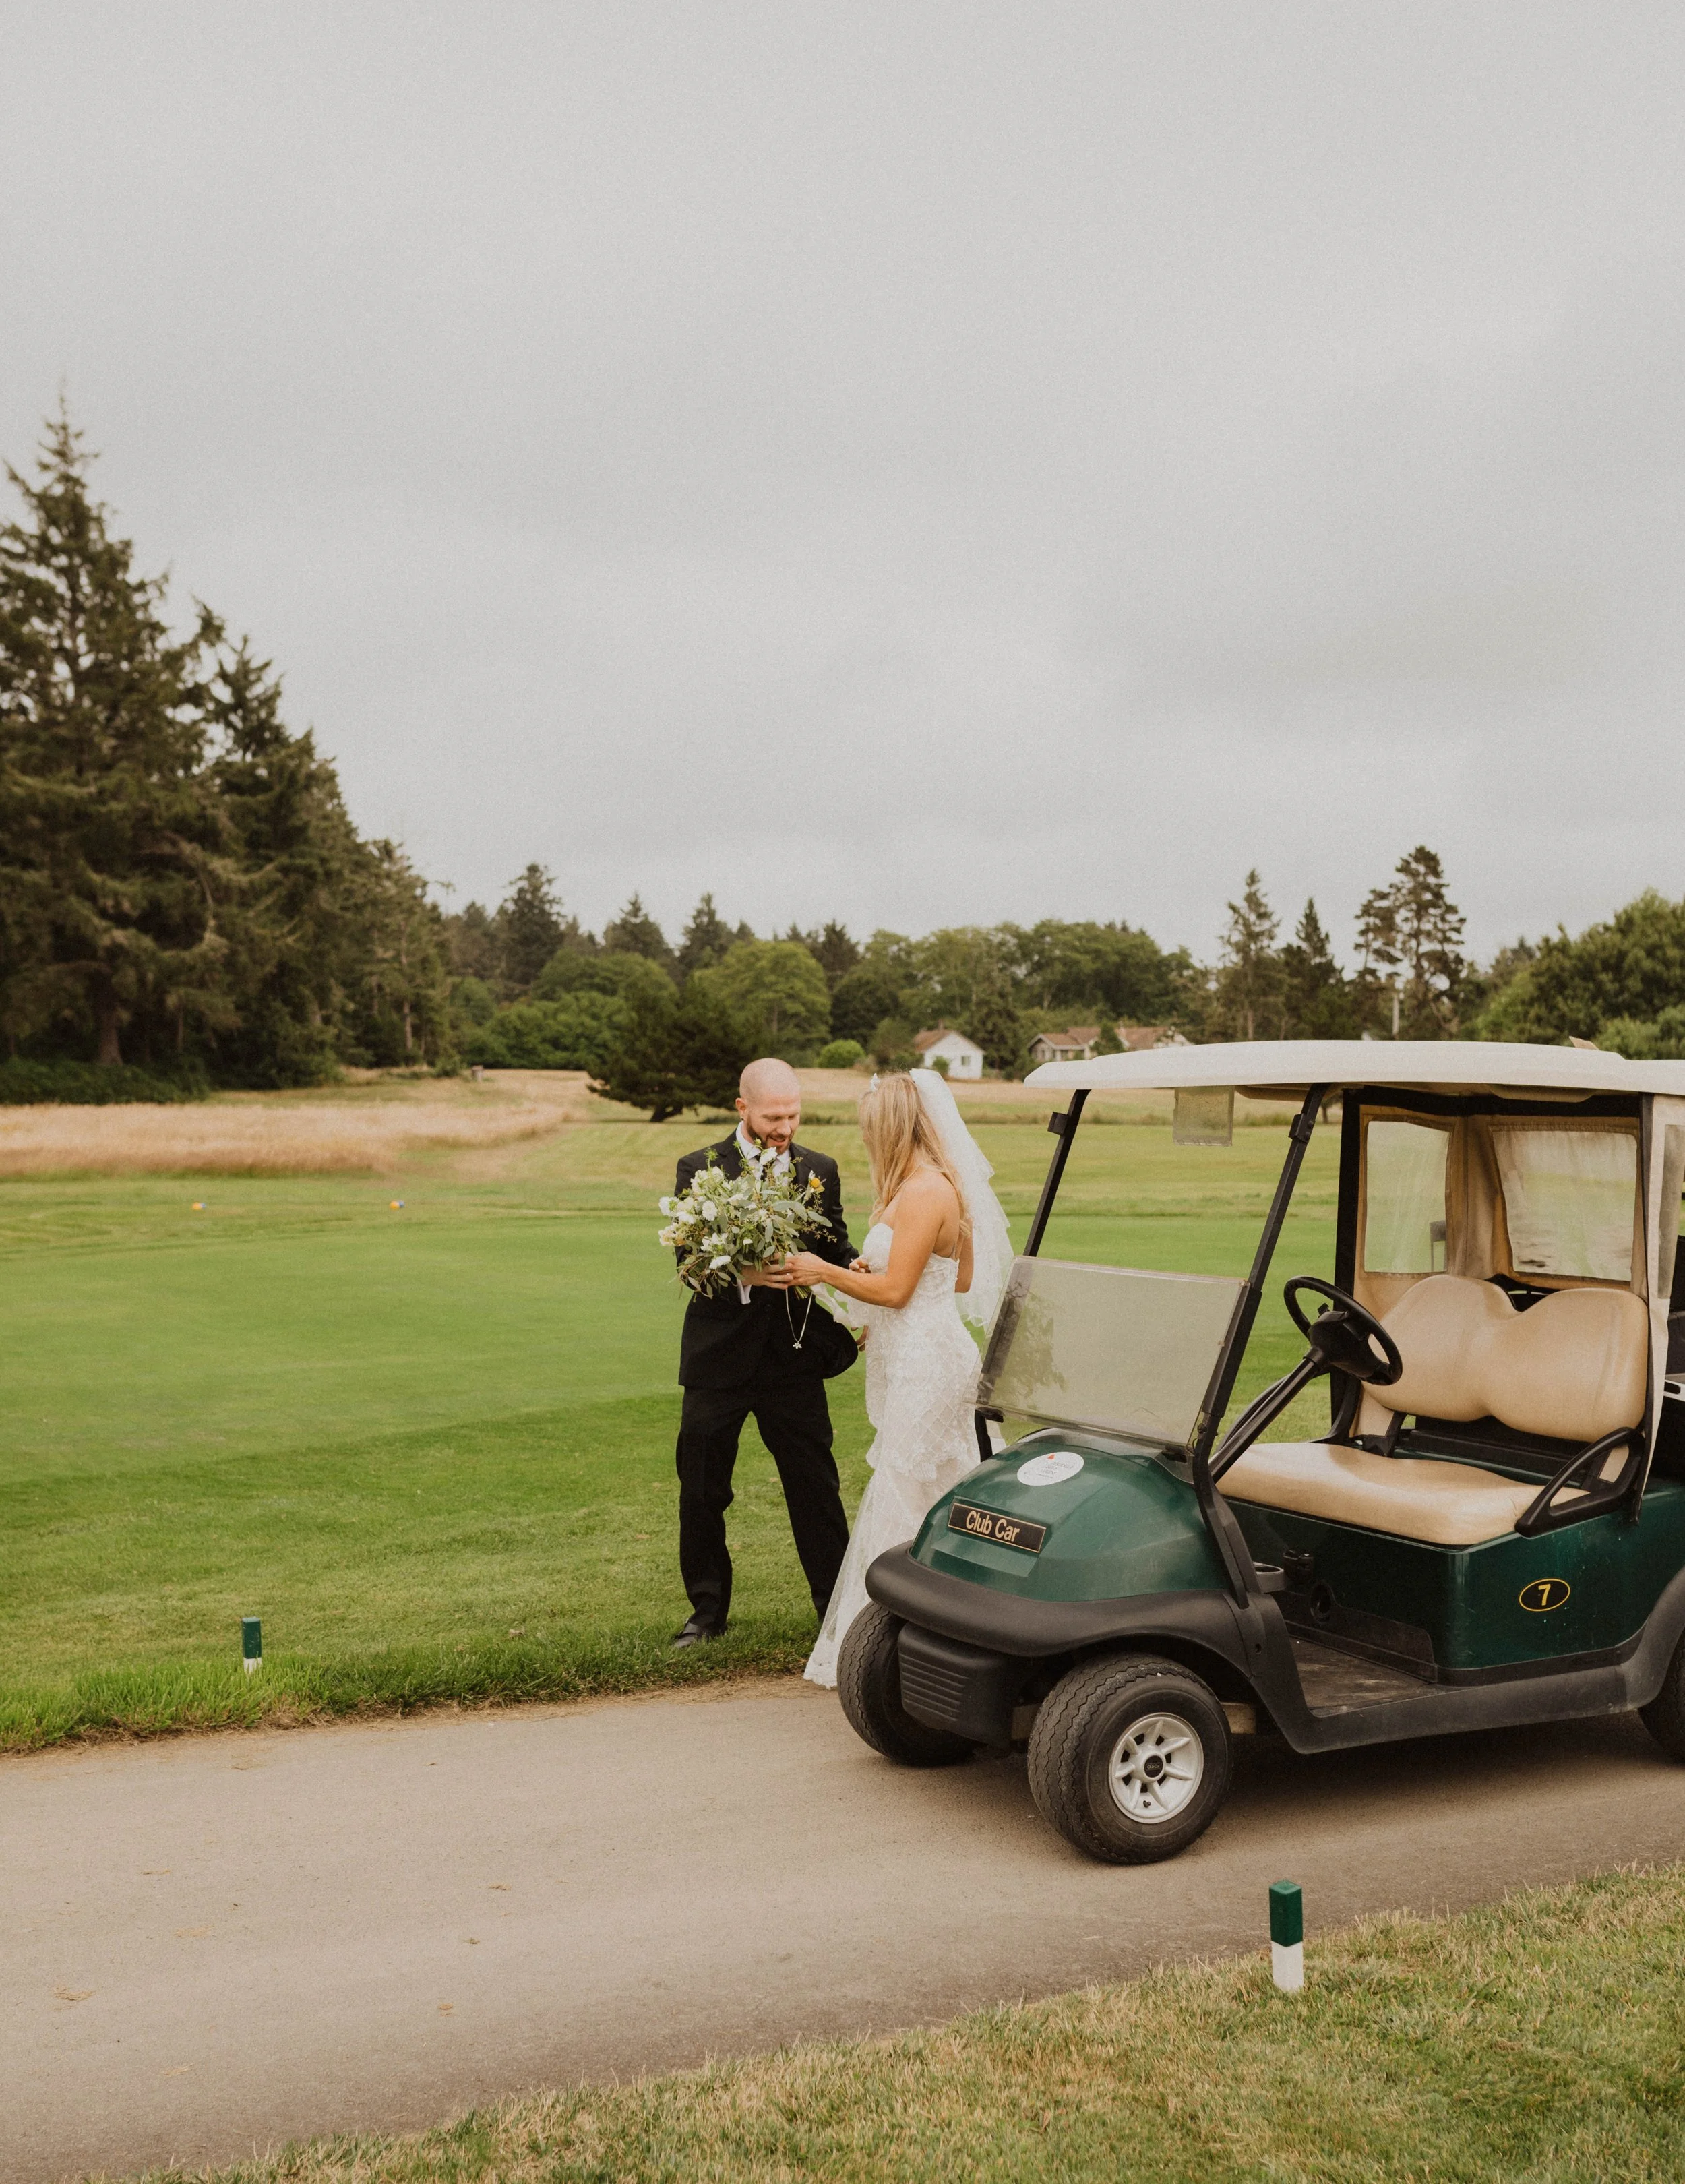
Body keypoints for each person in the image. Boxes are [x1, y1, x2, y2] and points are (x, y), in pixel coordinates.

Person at [785, 1068, 1014, 1687]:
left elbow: (894, 1290)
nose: (865, 1142)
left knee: (901, 1488)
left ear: (889, 1127)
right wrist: (867, 1263)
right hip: (916, 1353)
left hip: (930, 1362)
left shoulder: (926, 1191)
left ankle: (874, 1655)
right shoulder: (917, 1187)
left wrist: (825, 1271)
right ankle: (950, 1631)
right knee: (943, 1487)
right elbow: (957, 1279)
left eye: (869, 1131)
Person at [669, 1058, 857, 1648]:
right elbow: (688, 1263)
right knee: (702, 1489)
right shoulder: (699, 1168)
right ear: (742, 1109)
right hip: (717, 1360)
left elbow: (836, 1245)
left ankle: (834, 1611)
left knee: (815, 1488)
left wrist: (857, 1273)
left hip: (793, 1360)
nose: (786, 1127)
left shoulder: (818, 1170)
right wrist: (746, 1274)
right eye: (774, 1116)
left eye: (794, 1115)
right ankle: (706, 1613)